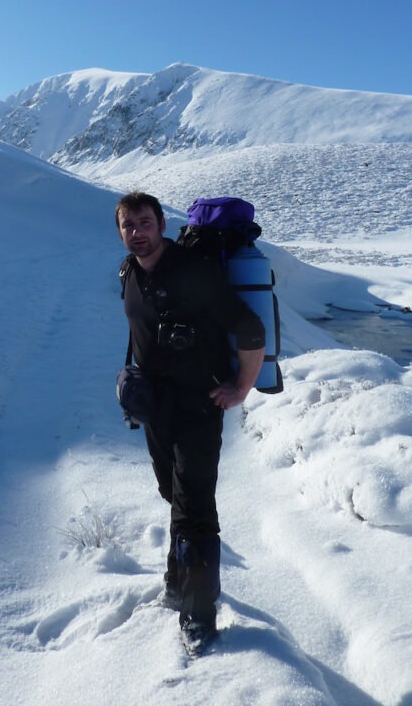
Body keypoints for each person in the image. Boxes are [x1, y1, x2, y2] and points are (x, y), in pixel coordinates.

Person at [115, 191, 265, 655]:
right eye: (128, 225)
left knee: (193, 510)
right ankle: (180, 582)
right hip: (156, 408)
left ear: (162, 223)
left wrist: (240, 388)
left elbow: (250, 329)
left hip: (199, 407)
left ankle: (198, 616)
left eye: (145, 222)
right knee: (175, 495)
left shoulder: (193, 272)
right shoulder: (128, 273)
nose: (137, 232)